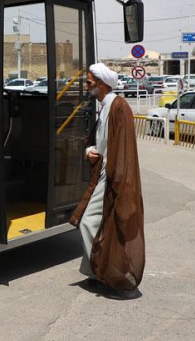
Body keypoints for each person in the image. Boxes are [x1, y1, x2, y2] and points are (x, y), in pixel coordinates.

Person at [69, 63, 145, 298]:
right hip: (103, 172)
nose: (87, 85)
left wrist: (118, 181)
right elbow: (97, 141)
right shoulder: (104, 107)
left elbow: (122, 150)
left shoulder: (118, 106)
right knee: (97, 223)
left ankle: (110, 273)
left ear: (102, 84)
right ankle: (96, 272)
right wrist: (89, 150)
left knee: (88, 222)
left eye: (90, 82)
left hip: (112, 175)